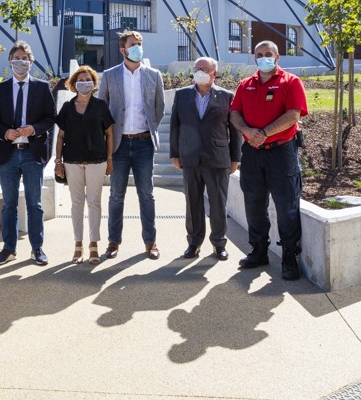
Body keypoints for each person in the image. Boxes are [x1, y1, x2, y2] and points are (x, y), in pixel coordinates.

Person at [229, 40, 309, 280]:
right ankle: (259, 250)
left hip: (281, 151)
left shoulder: (291, 82)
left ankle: (288, 256)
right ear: (255, 58)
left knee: (287, 204)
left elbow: (293, 115)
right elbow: (235, 113)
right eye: (259, 54)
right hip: (252, 152)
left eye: (268, 54)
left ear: (277, 57)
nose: (264, 57)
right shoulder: (246, 85)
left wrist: (263, 134)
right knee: (254, 203)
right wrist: (248, 132)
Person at [99, 30, 165, 259]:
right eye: (133, 44)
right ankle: (113, 242)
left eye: (140, 43)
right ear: (122, 49)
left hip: (144, 143)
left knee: (146, 194)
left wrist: (149, 129)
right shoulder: (109, 76)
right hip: (117, 145)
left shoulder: (154, 75)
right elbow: (102, 108)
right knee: (116, 195)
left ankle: (151, 242)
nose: (138, 47)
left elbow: (159, 108)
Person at [0, 41, 56, 266]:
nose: (20, 62)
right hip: (8, 154)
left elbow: (50, 118)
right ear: (10, 61)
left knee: (34, 204)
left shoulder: (42, 87)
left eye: (25, 58)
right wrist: (4, 131)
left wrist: (34, 129)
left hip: (32, 153)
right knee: (9, 204)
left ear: (31, 61)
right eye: (16, 58)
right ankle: (9, 248)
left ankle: (37, 248)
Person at [170, 56, 241, 261]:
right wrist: (175, 153)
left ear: (214, 73)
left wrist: (235, 157)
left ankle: (219, 244)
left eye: (204, 68)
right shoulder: (182, 95)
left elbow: (234, 130)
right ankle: (194, 243)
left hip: (217, 158)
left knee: (219, 204)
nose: (199, 71)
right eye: (197, 68)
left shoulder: (227, 96)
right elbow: (175, 125)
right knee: (192, 203)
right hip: (189, 158)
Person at [55, 66, 114, 265]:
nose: (85, 83)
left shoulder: (100, 106)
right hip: (72, 161)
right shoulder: (67, 107)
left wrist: (109, 159)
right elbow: (60, 136)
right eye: (80, 80)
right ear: (74, 84)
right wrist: (58, 161)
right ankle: (78, 244)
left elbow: (109, 133)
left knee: (94, 202)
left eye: (88, 79)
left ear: (94, 83)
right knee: (77, 203)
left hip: (97, 160)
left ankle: (94, 244)